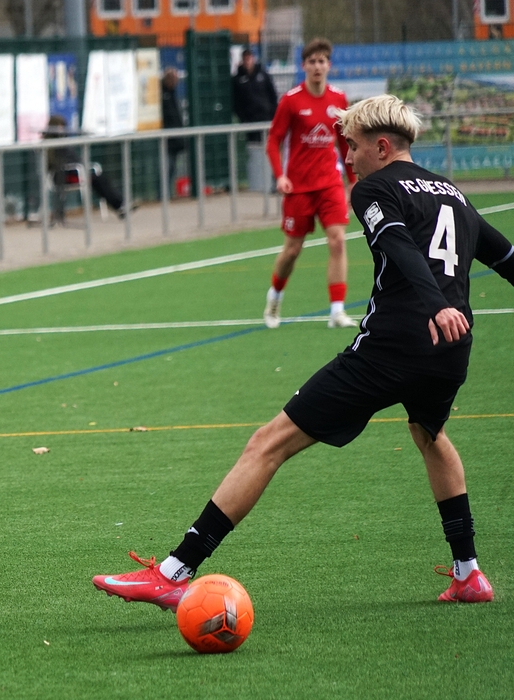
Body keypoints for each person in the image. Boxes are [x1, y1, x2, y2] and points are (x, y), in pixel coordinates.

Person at [93, 94, 514, 611]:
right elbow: (505, 256)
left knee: (268, 443)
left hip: (395, 345)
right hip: (451, 348)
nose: (347, 158)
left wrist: (434, 305)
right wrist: (444, 309)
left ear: (382, 147)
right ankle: (469, 573)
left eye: (353, 146)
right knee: (430, 434)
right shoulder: (453, 193)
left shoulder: (374, 187)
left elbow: (398, 245)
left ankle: (174, 571)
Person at [263, 38, 355, 330]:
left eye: (322, 61)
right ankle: (275, 296)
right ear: (304, 66)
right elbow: (273, 141)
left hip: (329, 183)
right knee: (292, 250)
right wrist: (280, 175)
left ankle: (337, 311)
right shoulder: (291, 100)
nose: (317, 66)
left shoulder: (338, 99)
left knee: (338, 241)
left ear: (329, 65)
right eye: (312, 61)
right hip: (298, 188)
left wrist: (352, 180)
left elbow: (344, 142)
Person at [44, 114, 127, 221]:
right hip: (63, 176)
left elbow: (75, 159)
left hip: (76, 173)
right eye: (59, 126)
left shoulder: (64, 141)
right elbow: (54, 164)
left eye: (62, 126)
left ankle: (120, 205)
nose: (61, 129)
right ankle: (120, 205)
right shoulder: (50, 144)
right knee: (97, 179)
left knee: (99, 179)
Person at [232, 48, 277, 143]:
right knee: (254, 144)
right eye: (245, 59)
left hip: (266, 117)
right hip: (250, 120)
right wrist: (243, 118)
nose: (248, 62)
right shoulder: (238, 80)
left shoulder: (263, 75)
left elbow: (272, 95)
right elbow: (236, 101)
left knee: (268, 143)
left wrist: (273, 113)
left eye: (249, 58)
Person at [161, 67, 185, 195]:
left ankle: (167, 194)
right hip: (167, 138)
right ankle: (162, 195)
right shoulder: (162, 94)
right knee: (166, 167)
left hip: (175, 138)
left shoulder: (172, 94)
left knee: (172, 168)